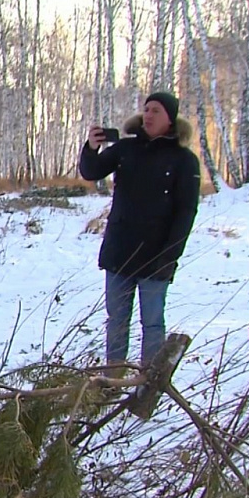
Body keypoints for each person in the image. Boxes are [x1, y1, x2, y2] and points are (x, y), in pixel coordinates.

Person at [78, 92, 201, 370]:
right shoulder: (126, 149)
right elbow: (91, 171)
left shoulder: (184, 160)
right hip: (119, 252)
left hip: (157, 255)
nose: (148, 114)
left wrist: (171, 255)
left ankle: (148, 382)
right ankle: (113, 377)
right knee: (117, 321)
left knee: (153, 322)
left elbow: (186, 212)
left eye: (156, 110)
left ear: (170, 119)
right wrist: (90, 147)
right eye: (146, 109)